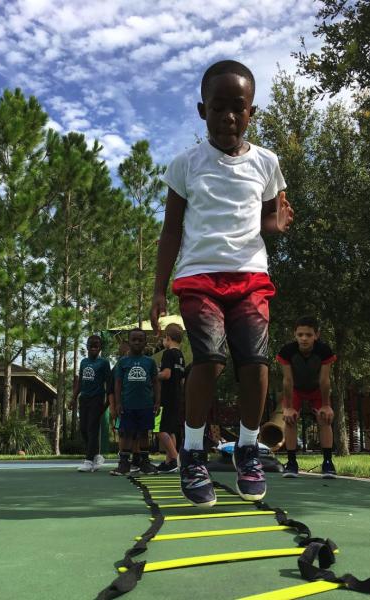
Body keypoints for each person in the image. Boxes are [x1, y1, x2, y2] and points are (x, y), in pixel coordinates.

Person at [150, 59, 294, 506]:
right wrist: (158, 289)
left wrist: (277, 226)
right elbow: (171, 230)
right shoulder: (185, 165)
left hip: (251, 277)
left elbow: (269, 217)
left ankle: (248, 447)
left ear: (252, 112)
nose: (228, 116)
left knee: (255, 363)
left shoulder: (268, 163)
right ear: (201, 110)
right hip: (199, 276)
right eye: (218, 108)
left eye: (238, 107)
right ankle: (193, 453)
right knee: (209, 360)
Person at [276, 315, 337, 478]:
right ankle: (291, 463)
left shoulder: (324, 351)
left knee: (324, 418)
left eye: (309, 335)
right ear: (294, 334)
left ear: (316, 335)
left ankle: (328, 463)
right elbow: (287, 380)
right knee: (289, 420)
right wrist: (288, 407)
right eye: (300, 334)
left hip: (317, 389)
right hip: (295, 389)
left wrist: (326, 405)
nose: (304, 338)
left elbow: (324, 380)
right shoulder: (287, 351)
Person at [111, 328, 160, 475]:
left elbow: (156, 382)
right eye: (134, 339)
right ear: (129, 342)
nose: (137, 342)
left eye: (140, 339)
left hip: (145, 404)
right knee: (126, 433)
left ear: (145, 342)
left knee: (144, 433)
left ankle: (145, 463)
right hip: (127, 405)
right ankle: (124, 464)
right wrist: (118, 403)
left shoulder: (150, 362)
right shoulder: (123, 362)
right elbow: (118, 384)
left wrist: (157, 401)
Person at [72, 334, 111, 473]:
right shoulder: (83, 362)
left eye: (97, 345)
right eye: (91, 344)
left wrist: (107, 403)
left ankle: (88, 461)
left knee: (92, 428)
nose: (94, 347)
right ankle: (96, 456)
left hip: (97, 399)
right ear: (87, 346)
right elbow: (80, 382)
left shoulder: (104, 363)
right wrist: (73, 398)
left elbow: (109, 384)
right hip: (84, 399)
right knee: (83, 428)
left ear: (100, 347)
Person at [157, 323, 185, 473]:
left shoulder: (168, 354)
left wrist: (154, 374)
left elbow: (166, 374)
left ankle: (176, 458)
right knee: (171, 430)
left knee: (160, 430)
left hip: (166, 397)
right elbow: (182, 380)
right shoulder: (181, 356)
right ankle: (169, 462)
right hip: (177, 396)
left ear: (167, 338)